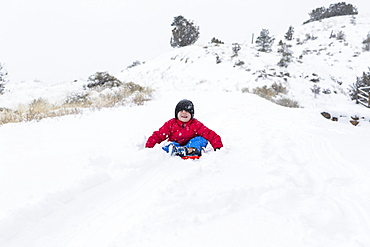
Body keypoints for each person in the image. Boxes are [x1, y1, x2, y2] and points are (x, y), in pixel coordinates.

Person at [145, 99, 223, 158]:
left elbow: (209, 134)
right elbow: (159, 135)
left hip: (191, 144)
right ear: (176, 113)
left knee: (201, 139)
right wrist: (149, 147)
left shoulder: (195, 124)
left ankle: (191, 150)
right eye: (181, 111)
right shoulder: (171, 124)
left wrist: (218, 146)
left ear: (191, 114)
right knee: (168, 145)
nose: (184, 113)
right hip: (175, 144)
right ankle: (176, 150)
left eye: (187, 111)